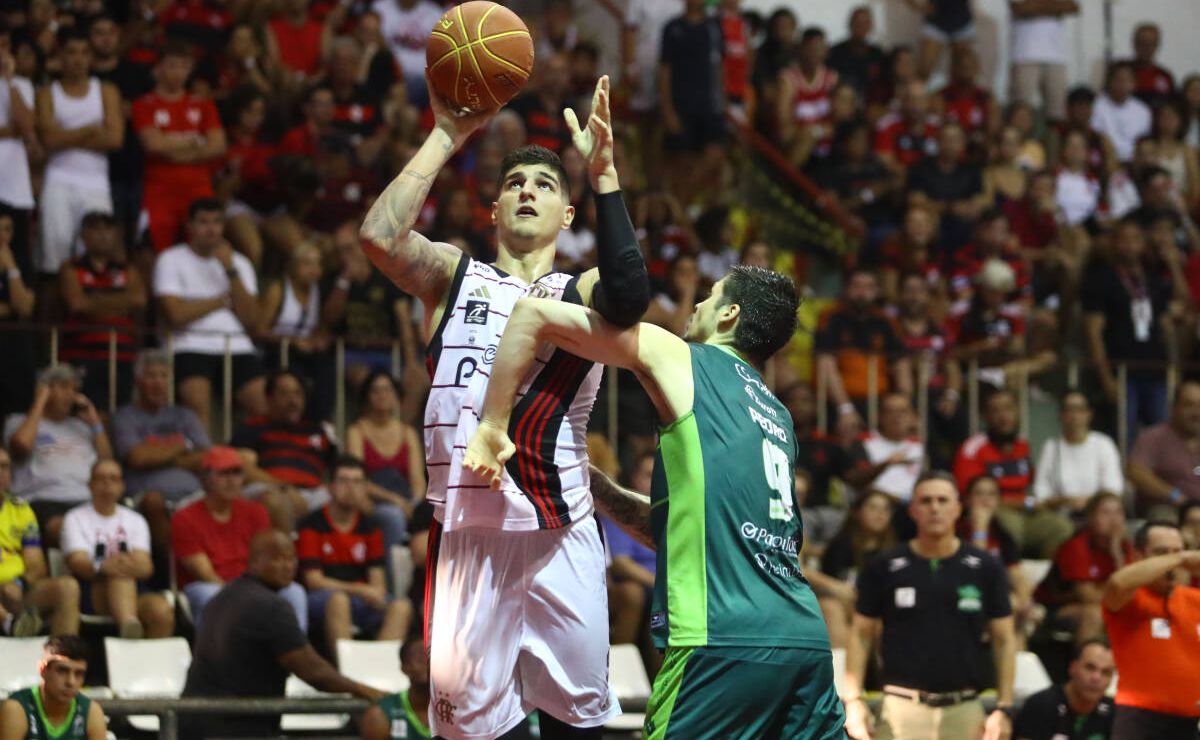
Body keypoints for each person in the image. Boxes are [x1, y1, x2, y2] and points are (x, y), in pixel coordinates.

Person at [359, 72, 650, 738]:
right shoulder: (452, 276)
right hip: (466, 527)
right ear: (493, 209)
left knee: (579, 721)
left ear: (567, 217)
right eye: (515, 183)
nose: (528, 191)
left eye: (547, 186)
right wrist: (445, 133)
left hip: (559, 528)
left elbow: (632, 294)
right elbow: (378, 237)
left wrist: (603, 175)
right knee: (472, 729)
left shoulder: (581, 289)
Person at [464, 265, 845, 738]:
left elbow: (532, 314)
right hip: (802, 640)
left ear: (729, 314)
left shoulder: (687, 358)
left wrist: (492, 425)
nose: (698, 305)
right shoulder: (777, 413)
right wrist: (597, 486)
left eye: (709, 296)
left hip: (720, 639)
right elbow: (689, 528)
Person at [841, 472, 1015, 740]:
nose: (935, 508)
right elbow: (861, 634)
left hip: (965, 707)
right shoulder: (884, 566)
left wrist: (1004, 708)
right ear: (912, 510)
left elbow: (1004, 640)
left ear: (958, 508)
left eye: (943, 500)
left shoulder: (986, 567)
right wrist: (852, 701)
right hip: (899, 708)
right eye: (926, 501)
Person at [181, 530, 384, 740]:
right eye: (277, 558)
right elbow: (312, 671)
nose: (288, 565)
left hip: (196, 723)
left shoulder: (223, 597)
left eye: (291, 558)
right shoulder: (270, 606)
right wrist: (362, 689)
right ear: (253, 561)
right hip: (235, 725)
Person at [153, 198, 266, 433]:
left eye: (216, 222)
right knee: (197, 403)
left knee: (263, 403)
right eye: (203, 222)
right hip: (188, 345)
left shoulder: (240, 263)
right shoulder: (171, 259)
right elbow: (175, 314)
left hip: (237, 346)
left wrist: (229, 270)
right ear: (190, 226)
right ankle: (204, 462)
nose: (211, 229)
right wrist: (222, 301)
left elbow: (252, 319)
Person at [171, 446, 306, 633]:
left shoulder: (255, 512)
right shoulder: (185, 517)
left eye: (237, 473)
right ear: (205, 479)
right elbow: (204, 573)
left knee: (294, 591)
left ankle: (295, 654)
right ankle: (217, 656)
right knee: (208, 593)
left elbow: (265, 561)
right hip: (211, 584)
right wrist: (245, 595)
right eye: (224, 474)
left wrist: (257, 591)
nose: (232, 481)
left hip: (252, 584)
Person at [296, 456, 411, 658]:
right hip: (322, 598)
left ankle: (378, 674)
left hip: (360, 600)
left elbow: (377, 580)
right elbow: (313, 581)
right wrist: (359, 589)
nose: (351, 488)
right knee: (339, 601)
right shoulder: (312, 524)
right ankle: (349, 676)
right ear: (330, 487)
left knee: (401, 607)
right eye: (344, 481)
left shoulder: (370, 527)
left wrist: (374, 592)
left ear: (366, 487)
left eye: (357, 482)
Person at [112, 349, 211, 579]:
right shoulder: (126, 416)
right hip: (147, 498)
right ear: (138, 382)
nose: (158, 383)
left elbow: (206, 456)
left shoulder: (184, 415)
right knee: (153, 501)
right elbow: (137, 458)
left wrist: (157, 456)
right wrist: (182, 446)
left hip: (193, 495)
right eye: (151, 376)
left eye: (164, 376)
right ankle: (170, 576)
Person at [33, 28, 121, 278]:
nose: (78, 59)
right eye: (71, 52)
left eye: (84, 53)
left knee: (95, 252)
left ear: (91, 58)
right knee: (55, 249)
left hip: (95, 182)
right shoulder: (48, 93)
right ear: (60, 56)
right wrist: (91, 131)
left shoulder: (105, 91)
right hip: (58, 179)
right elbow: (48, 139)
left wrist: (66, 136)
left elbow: (115, 139)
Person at [1101, 521, 1200, 739]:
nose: (1171, 562)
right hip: (1140, 718)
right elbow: (1117, 583)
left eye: (1177, 551)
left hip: (1191, 721)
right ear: (1138, 556)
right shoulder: (1130, 598)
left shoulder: (1195, 599)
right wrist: (1181, 558)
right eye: (1162, 553)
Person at [60, 460, 173, 639]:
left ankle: (148, 659)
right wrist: (105, 566)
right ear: (89, 485)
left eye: (113, 479)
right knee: (119, 576)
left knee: (160, 610)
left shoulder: (136, 520)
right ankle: (129, 625)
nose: (107, 484)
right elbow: (78, 562)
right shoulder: (74, 518)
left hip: (135, 590)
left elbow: (146, 567)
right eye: (101, 478)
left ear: (122, 486)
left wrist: (120, 563)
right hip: (91, 590)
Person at [3, 364, 113, 547]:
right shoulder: (18, 421)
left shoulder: (82, 427)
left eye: (74, 389)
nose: (71, 395)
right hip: (44, 499)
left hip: (85, 498)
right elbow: (21, 445)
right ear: (43, 389)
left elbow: (107, 463)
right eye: (64, 388)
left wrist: (95, 423)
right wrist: (40, 401)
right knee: (65, 528)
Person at [954, 388, 1072, 558]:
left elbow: (1031, 485)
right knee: (1008, 527)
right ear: (985, 417)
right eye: (996, 410)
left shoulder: (1022, 445)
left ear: (1018, 412)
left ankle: (1044, 578)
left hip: (1026, 511)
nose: (1004, 417)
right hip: (993, 511)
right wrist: (1027, 503)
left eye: (1009, 408)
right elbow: (971, 498)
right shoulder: (973, 448)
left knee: (1061, 528)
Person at [131, 40, 225, 252]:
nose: (179, 72)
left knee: (203, 249)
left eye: (184, 66)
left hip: (199, 189)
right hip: (160, 192)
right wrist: (195, 143)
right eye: (173, 65)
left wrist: (172, 148)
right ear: (159, 68)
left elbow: (218, 145)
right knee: (156, 249)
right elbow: (153, 145)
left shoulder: (203, 104)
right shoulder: (144, 105)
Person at [58, 211, 145, 411]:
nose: (103, 234)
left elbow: (139, 300)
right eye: (95, 229)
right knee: (84, 411)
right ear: (83, 235)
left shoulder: (127, 269)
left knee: (120, 412)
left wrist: (95, 300)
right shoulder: (71, 267)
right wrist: (120, 303)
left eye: (108, 229)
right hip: (82, 354)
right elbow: (77, 304)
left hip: (121, 356)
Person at [232, 369, 337, 530]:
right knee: (273, 500)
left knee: (342, 501)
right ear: (269, 399)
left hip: (313, 494)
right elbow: (242, 468)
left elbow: (338, 471)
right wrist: (285, 488)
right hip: (270, 489)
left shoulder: (318, 431)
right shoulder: (253, 428)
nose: (293, 401)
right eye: (285, 394)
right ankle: (285, 552)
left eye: (298, 394)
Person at [815, 269, 912, 443]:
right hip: (839, 401)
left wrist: (905, 405)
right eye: (856, 286)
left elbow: (901, 364)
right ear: (846, 289)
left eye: (868, 287)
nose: (862, 293)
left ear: (877, 292)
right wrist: (844, 408)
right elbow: (825, 364)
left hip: (880, 401)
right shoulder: (830, 318)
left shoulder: (887, 322)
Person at [345, 371, 425, 573]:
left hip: (405, 499)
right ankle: (392, 582)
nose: (382, 395)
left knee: (434, 513)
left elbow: (417, 482)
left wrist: (414, 503)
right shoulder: (356, 431)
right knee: (392, 516)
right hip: (372, 500)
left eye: (387, 390)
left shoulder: (408, 433)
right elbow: (358, 479)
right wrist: (395, 500)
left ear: (396, 396)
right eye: (375, 391)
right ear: (366, 397)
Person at [0, 448, 80, 638]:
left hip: (16, 592)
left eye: (4, 467)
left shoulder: (21, 510)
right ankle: (8, 623)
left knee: (67, 587)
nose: (0, 473)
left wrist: (20, 583)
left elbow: (36, 565)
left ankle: (64, 658)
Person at [1036, 492, 1133, 644]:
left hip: (1104, 605)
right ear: (1091, 517)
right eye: (1105, 512)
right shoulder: (1076, 547)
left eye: (1118, 512)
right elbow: (1087, 597)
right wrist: (1120, 593)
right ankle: (1088, 664)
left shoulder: (1124, 548)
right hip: (1052, 609)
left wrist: (1117, 556)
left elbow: (1132, 592)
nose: (1113, 519)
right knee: (1094, 615)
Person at [810, 490, 896, 650]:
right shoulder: (840, 547)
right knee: (832, 607)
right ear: (857, 512)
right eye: (873, 508)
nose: (880, 514)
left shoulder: (895, 554)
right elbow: (834, 589)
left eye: (886, 509)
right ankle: (839, 672)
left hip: (881, 613)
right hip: (848, 610)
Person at [1032, 390, 1124, 519]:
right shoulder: (1050, 447)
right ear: (1061, 415)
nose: (1074, 415)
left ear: (1089, 414)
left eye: (1080, 409)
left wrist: (1088, 502)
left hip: (1098, 513)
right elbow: (1040, 492)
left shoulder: (1103, 444)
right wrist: (1065, 501)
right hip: (1059, 515)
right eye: (1069, 410)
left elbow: (1114, 488)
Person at [0, 635, 106, 740]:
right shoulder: (16, 708)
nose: (71, 682)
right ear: (43, 670)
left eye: (78, 674)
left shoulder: (91, 712)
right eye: (62, 671)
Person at [1012, 639, 1115, 740]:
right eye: (1090, 668)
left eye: (1106, 672)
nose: (1096, 678)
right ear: (1073, 668)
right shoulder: (1041, 705)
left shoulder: (1115, 714)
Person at [1128, 381, 1200, 516]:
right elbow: (1136, 472)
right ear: (1174, 407)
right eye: (1189, 405)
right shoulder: (1153, 437)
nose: (1196, 412)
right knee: (1163, 517)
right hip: (1168, 508)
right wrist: (1174, 495)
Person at [844, 392, 924, 507]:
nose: (897, 417)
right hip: (876, 505)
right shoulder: (864, 442)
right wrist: (886, 464)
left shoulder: (918, 445)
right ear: (880, 416)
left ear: (913, 417)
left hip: (912, 507)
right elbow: (855, 480)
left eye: (903, 411)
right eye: (890, 412)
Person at [1008, 0, 1078, 122]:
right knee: (1020, 109)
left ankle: (1054, 140)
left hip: (1056, 55)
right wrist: (1054, 7)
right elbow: (1020, 8)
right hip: (1025, 54)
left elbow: (1072, 7)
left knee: (1057, 112)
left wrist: (1036, 7)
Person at [360, 639, 431, 740]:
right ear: (404, 668)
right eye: (421, 659)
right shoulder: (380, 714)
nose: (429, 663)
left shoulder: (458, 709)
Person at [1091, 62, 1153, 164]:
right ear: (1110, 82)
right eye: (1118, 80)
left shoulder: (1143, 111)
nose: (1122, 84)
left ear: (1134, 83)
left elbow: (1144, 142)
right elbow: (1097, 136)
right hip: (1106, 160)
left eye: (1127, 80)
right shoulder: (1097, 105)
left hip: (1135, 162)